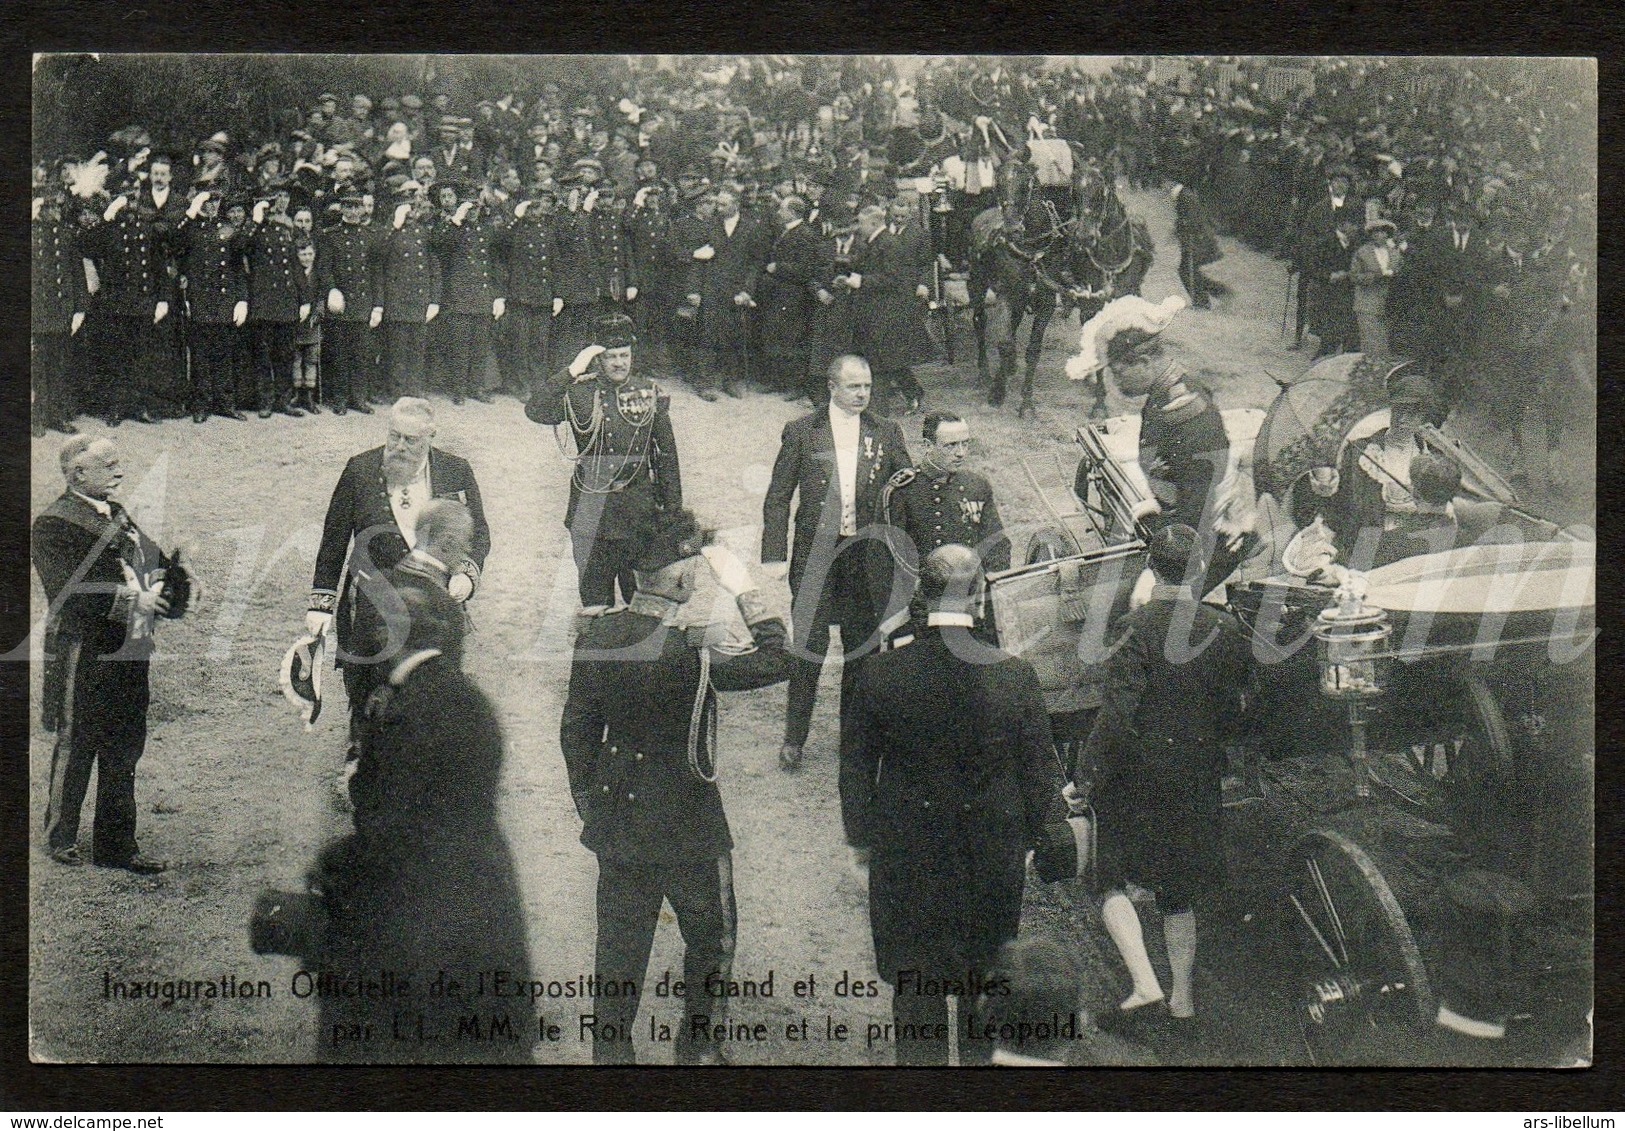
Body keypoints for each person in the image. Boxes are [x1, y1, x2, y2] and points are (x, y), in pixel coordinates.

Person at [559, 509, 790, 1065]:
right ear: (684, 580)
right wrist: (740, 581)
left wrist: (595, 804)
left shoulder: (596, 635)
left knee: (617, 954)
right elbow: (780, 659)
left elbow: (576, 732)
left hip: (618, 823)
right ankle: (698, 1056)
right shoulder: (693, 650)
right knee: (711, 943)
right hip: (690, 824)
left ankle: (611, 1069)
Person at [841, 544, 1070, 1065]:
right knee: (984, 986)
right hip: (991, 852)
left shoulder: (880, 674)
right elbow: (1039, 770)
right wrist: (1043, 836)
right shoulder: (1015, 675)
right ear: (981, 597)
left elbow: (854, 766)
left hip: (907, 850)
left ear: (921, 595)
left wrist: (861, 839)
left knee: (916, 988)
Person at [308, 582, 532, 1064]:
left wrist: (332, 863)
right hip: (481, 896)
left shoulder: (406, 711)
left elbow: (390, 826)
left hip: (422, 910)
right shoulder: (464, 697)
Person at [1079, 524, 1246, 1053]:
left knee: (1108, 877)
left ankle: (1144, 988)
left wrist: (1088, 772)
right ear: (1198, 569)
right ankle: (1183, 1001)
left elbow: (1118, 714)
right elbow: (1236, 707)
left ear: (1153, 568)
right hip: (1196, 773)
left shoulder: (1135, 626)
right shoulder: (1225, 628)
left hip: (1139, 775)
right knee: (1179, 891)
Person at [307, 397, 490, 751]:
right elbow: (333, 540)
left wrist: (467, 574)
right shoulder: (359, 470)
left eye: (411, 440)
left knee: (430, 688)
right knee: (366, 689)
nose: (400, 447)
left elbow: (478, 532)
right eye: (395, 437)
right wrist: (321, 604)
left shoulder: (456, 471)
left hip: (434, 607)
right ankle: (362, 760)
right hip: (370, 608)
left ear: (430, 437)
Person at [33, 436, 180, 873]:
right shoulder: (53, 524)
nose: (119, 472)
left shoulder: (115, 513)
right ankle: (60, 835)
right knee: (78, 738)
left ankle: (117, 844)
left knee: (125, 742)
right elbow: (68, 593)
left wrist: (174, 581)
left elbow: (151, 561)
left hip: (129, 644)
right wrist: (136, 601)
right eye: (109, 465)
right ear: (79, 474)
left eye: (119, 464)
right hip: (84, 646)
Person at [761, 354, 912, 772]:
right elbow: (777, 496)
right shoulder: (801, 431)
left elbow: (906, 489)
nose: (863, 394)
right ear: (832, 387)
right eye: (853, 386)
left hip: (865, 559)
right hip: (815, 558)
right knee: (808, 648)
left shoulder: (886, 431)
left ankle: (857, 736)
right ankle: (795, 737)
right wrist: (774, 553)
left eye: (867, 385)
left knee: (862, 648)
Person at [1070, 294, 1251, 597]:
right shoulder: (1164, 394)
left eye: (1117, 372)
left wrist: (1165, 571)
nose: (1116, 382)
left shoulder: (1184, 408)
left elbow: (1199, 501)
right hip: (1182, 520)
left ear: (1143, 362)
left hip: (1204, 540)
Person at [526, 314, 682, 610]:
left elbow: (668, 458)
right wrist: (572, 370)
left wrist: (672, 514)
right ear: (598, 359)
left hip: (638, 511)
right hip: (589, 509)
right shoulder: (579, 392)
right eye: (611, 357)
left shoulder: (648, 393)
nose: (620, 363)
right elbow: (536, 409)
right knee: (594, 601)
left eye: (625, 355)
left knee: (643, 601)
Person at [172, 190, 252, 423]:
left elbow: (239, 266)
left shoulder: (229, 229)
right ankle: (201, 404)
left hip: (225, 300)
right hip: (200, 300)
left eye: (216, 201)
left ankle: (225, 403)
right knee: (201, 356)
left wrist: (242, 299)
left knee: (224, 354)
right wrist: (190, 212)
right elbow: (175, 244)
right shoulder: (191, 228)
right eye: (207, 201)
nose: (212, 206)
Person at [689, 187, 767, 399]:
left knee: (734, 336)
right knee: (707, 335)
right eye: (717, 204)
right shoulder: (710, 226)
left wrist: (748, 290)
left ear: (736, 205)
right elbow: (698, 260)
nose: (718, 208)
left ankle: (731, 381)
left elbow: (755, 264)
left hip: (736, 291)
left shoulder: (751, 228)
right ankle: (704, 383)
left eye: (723, 204)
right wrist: (694, 290)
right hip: (711, 288)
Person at [241, 189, 308, 418]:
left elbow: (297, 266)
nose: (281, 202)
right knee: (263, 354)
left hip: (286, 300)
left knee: (285, 354)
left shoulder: (289, 230)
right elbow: (240, 248)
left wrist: (304, 299)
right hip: (263, 300)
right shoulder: (255, 228)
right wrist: (255, 220)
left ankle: (283, 400)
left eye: (284, 197)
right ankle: (265, 401)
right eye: (275, 198)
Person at [316, 185, 382, 413]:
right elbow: (324, 268)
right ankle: (340, 398)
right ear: (341, 208)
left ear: (363, 209)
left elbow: (376, 274)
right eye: (347, 206)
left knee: (361, 354)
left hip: (363, 304)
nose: (352, 211)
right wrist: (332, 290)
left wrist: (378, 306)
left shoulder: (370, 236)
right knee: (339, 354)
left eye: (356, 206)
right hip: (340, 304)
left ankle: (358, 398)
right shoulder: (330, 235)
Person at [375, 183, 442, 399]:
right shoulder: (389, 232)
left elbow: (434, 266)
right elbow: (377, 254)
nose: (411, 213)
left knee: (417, 349)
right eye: (406, 208)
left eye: (413, 208)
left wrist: (434, 299)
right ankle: (397, 391)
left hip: (419, 299)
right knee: (397, 350)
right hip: (396, 300)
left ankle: (414, 389)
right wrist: (394, 225)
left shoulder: (423, 233)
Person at [31, 188, 89, 435]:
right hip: (39, 310)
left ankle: (58, 415)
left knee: (60, 365)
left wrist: (80, 308)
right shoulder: (31, 234)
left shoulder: (67, 234)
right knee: (38, 366)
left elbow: (78, 273)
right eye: (50, 208)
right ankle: (37, 416)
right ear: (41, 209)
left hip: (62, 310)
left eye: (58, 208)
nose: (55, 212)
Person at [756, 194, 824, 398]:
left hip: (795, 295)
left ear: (792, 212)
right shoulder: (786, 231)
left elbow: (806, 268)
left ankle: (795, 385)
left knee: (793, 340)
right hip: (780, 293)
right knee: (777, 336)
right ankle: (778, 381)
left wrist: (778, 267)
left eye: (782, 209)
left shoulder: (805, 235)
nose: (778, 213)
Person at [1350, 216, 1404, 361]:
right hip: (1367, 302)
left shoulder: (1394, 253)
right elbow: (1354, 276)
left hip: (1386, 303)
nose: (1380, 235)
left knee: (1383, 344)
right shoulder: (1362, 252)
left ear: (1387, 234)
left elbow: (1400, 270)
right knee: (1369, 344)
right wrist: (1374, 276)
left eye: (1383, 232)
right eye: (1376, 232)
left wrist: (1393, 274)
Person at [1171, 181, 1222, 310]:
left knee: (1186, 271)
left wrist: (1183, 230)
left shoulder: (1187, 199)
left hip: (1198, 243)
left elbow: (1192, 221)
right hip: (1199, 242)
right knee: (1189, 271)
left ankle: (1204, 300)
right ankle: (1215, 293)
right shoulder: (1187, 197)